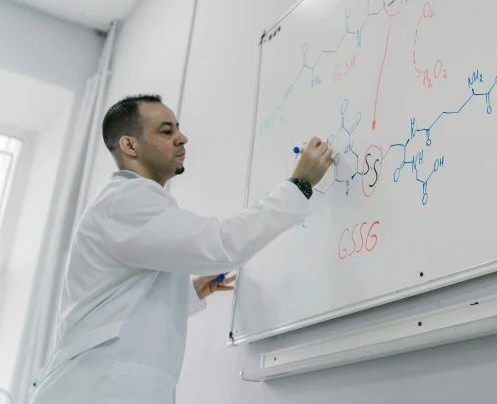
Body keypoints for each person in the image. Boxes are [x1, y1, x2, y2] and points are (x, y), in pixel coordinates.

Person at [29, 94, 333, 404]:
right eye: (166, 131)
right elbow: (222, 244)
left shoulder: (128, 204)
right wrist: (299, 186)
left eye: (178, 128)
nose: (182, 138)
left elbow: (119, 304)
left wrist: (190, 292)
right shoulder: (126, 201)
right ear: (130, 146)